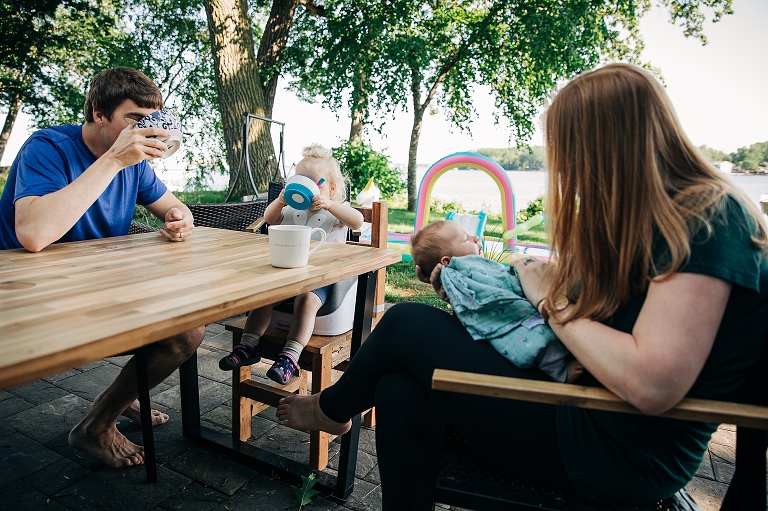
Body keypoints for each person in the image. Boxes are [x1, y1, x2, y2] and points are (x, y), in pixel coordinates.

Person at [275, 63, 768, 508]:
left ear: (606, 148)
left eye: (567, 153)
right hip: (586, 404)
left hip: (614, 448)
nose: (566, 172)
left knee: (403, 323)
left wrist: (547, 300)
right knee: (396, 386)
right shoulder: (657, 220)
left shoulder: (708, 218)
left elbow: (652, 383)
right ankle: (338, 411)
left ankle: (331, 408)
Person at [0, 67, 205, 468]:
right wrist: (113, 161)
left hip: (96, 284)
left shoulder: (136, 163)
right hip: (28, 294)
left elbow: (176, 207)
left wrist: (180, 219)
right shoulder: (47, 148)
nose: (145, 130)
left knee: (187, 331)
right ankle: (99, 427)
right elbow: (35, 235)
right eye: (133, 120)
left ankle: (107, 410)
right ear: (98, 113)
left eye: (151, 121)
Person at [219, 144, 364, 384]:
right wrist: (280, 201)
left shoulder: (337, 212)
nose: (304, 187)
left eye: (313, 182)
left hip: (325, 280)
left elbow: (358, 221)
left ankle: (290, 356)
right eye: (299, 180)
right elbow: (269, 219)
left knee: (306, 300)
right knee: (265, 295)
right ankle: (248, 346)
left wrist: (329, 204)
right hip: (289, 274)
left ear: (332, 188)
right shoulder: (289, 209)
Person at [410, 220, 583, 383]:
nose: (475, 238)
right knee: (536, 346)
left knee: (401, 320)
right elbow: (478, 299)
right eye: (465, 239)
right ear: (447, 261)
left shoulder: (475, 268)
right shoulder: (462, 274)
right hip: (517, 323)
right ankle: (561, 371)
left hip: (537, 319)